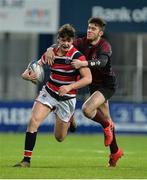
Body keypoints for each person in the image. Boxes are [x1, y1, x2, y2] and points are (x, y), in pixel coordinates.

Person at [45, 17, 124, 167]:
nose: (89, 30)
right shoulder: (81, 42)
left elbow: (102, 62)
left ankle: (95, 123)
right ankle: (115, 153)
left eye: (93, 28)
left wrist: (84, 63)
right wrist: (50, 49)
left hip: (106, 85)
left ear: (100, 33)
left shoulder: (104, 45)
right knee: (107, 120)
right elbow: (63, 44)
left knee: (88, 109)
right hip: (93, 85)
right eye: (89, 27)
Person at [14, 24, 92, 167]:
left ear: (72, 41)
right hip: (49, 93)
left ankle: (70, 120)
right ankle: (26, 160)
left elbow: (88, 79)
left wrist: (69, 87)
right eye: (63, 40)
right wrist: (27, 75)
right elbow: (35, 67)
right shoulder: (50, 53)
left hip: (66, 98)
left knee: (59, 138)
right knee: (33, 121)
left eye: (69, 40)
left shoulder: (77, 57)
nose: (66, 43)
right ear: (58, 40)